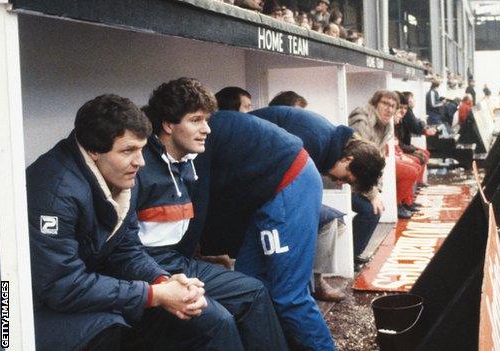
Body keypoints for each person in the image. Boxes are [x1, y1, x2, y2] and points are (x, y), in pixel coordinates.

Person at [28, 94, 208, 350]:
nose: (141, 162)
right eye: (128, 151)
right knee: (108, 326)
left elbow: (127, 250)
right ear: (93, 150)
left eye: (141, 149)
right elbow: (62, 285)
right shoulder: (55, 192)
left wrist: (163, 281)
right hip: (18, 308)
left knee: (179, 317)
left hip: (70, 292)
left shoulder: (121, 176)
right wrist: (153, 295)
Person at [135, 77, 288, 350]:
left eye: (206, 120)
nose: (206, 129)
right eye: (196, 120)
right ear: (169, 125)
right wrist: (163, 281)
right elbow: (121, 248)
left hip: (177, 261)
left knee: (254, 292)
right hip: (147, 269)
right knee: (219, 320)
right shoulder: (139, 167)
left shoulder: (187, 161)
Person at [182, 110, 336, 350]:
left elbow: (197, 206)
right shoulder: (212, 128)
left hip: (288, 183)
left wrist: (184, 258)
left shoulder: (196, 140)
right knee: (250, 284)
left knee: (290, 296)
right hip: (266, 191)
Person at [251, 105, 385, 299]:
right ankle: (298, 287)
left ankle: (310, 282)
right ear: (348, 159)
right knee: (317, 222)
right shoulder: (313, 143)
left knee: (332, 221)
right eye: (346, 178)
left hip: (265, 176)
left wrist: (372, 193)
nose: (340, 182)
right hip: (250, 178)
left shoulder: (332, 144)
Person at [348, 90, 397, 266]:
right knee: (370, 210)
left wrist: (376, 189)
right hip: (342, 178)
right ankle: (349, 255)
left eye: (393, 106)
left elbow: (375, 162)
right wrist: (373, 193)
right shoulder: (361, 119)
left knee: (373, 210)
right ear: (375, 104)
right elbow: (360, 160)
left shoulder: (386, 126)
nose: (389, 109)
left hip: (357, 179)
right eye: (385, 103)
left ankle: (352, 252)